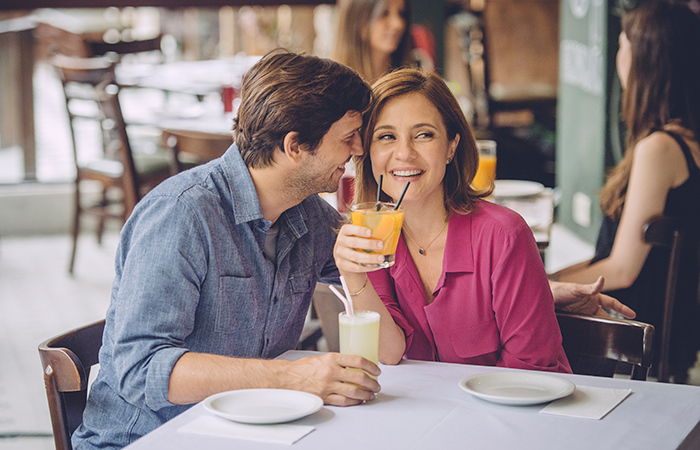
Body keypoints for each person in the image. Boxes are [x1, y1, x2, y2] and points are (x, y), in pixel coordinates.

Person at [72, 50, 381, 450]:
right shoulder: (181, 213)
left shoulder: (305, 214)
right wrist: (293, 377)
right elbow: (140, 368)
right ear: (295, 146)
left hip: (245, 434)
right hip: (146, 439)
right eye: (347, 137)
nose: (358, 150)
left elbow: (377, 274)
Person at [333, 67, 571, 371]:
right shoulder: (373, 234)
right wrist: (353, 275)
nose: (404, 153)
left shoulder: (504, 236)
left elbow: (530, 367)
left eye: (423, 135)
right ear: (368, 152)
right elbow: (390, 352)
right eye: (386, 136)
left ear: (451, 147)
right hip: (433, 414)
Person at [550, 1, 700, 382]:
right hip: (671, 333)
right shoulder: (686, 141)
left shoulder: (660, 149)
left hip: (630, 335)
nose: (619, 57)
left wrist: (544, 282)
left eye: (622, 45)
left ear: (644, 59)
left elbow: (622, 269)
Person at [333, 0, 414, 82]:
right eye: (384, 13)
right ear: (358, 22)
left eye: (402, 14)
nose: (398, 24)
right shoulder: (334, 82)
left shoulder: (419, 73)